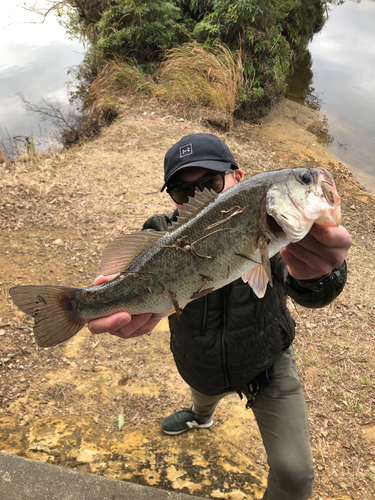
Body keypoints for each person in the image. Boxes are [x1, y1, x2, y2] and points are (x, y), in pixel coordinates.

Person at [88, 133, 352, 500]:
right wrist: (113, 296)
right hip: (200, 362)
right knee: (203, 395)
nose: (198, 197)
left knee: (296, 473)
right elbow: (143, 254)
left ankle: (204, 410)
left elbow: (309, 288)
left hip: (266, 363)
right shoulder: (163, 233)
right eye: (183, 190)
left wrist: (323, 274)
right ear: (172, 199)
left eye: (211, 183)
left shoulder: (279, 239)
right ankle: (201, 415)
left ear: (238, 178)